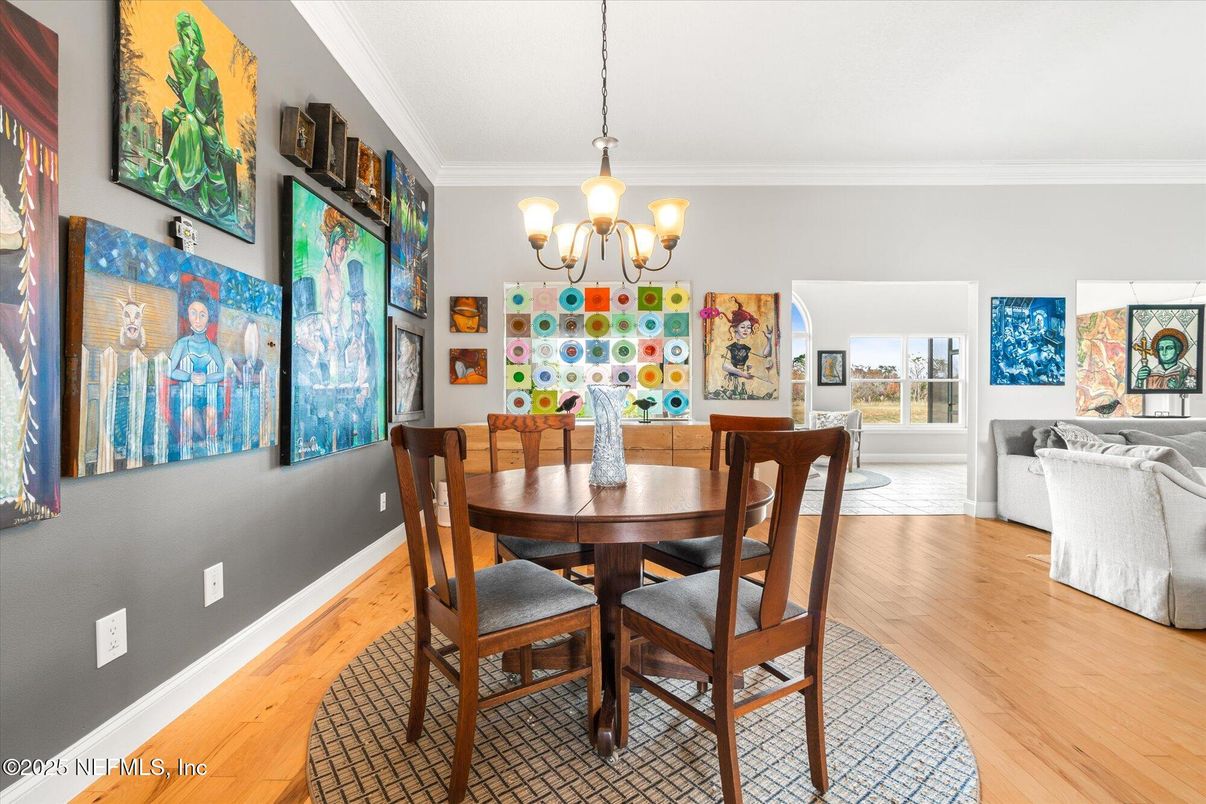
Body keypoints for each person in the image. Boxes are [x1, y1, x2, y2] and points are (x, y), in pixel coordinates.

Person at [152, 11, 241, 222]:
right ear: (181, 37)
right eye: (187, 39)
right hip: (187, 112)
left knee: (208, 134)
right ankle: (193, 187)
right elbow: (189, 102)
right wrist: (192, 74)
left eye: (195, 41)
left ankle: (173, 178)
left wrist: (226, 141)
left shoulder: (211, 74)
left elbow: (220, 110)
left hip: (206, 122)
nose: (192, 46)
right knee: (190, 124)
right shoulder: (176, 54)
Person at [168, 279, 225, 446]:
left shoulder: (213, 349)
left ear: (209, 317)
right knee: (191, 418)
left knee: (211, 414)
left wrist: (206, 378)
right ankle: (197, 442)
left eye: (203, 314)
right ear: (188, 314)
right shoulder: (181, 345)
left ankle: (205, 443)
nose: (198, 319)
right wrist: (189, 376)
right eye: (194, 313)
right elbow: (170, 371)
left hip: (209, 397)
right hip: (186, 397)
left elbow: (222, 373)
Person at [340, 260, 378, 446]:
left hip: (367, 394)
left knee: (365, 439)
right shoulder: (347, 333)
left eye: (359, 302)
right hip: (349, 394)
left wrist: (365, 389)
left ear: (364, 304)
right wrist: (348, 356)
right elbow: (340, 364)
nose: (356, 307)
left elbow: (375, 366)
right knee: (344, 438)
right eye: (353, 302)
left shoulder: (369, 332)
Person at [715, 298, 773, 397]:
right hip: (731, 383)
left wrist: (769, 340)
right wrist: (743, 374)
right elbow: (725, 365)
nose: (746, 330)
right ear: (735, 328)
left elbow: (765, 355)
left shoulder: (748, 347)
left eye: (749, 327)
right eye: (742, 327)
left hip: (748, 383)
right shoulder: (730, 346)